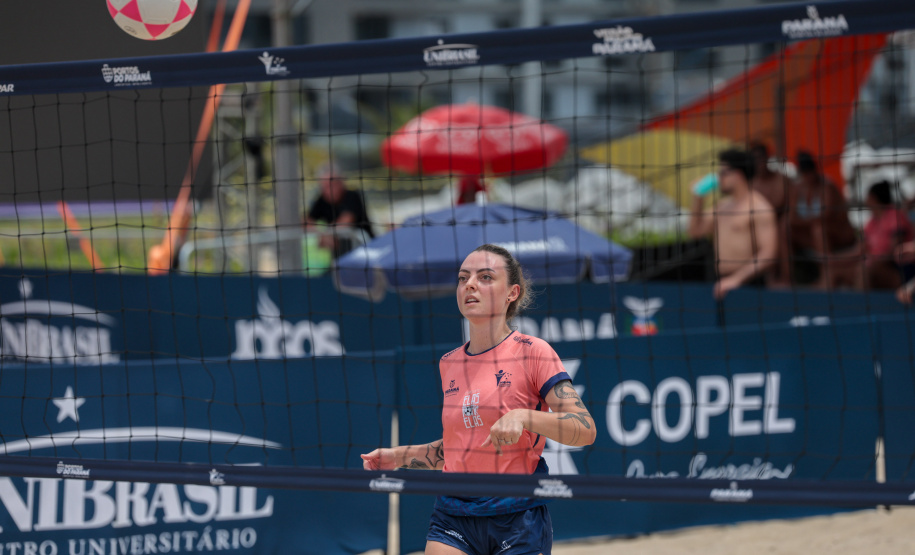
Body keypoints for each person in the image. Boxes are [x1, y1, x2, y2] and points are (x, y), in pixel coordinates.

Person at [361, 244, 596, 555]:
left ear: (512, 292)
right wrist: (400, 456)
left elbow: (585, 428)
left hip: (516, 514)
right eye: (463, 278)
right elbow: (463, 448)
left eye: (485, 277)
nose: (469, 284)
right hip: (454, 513)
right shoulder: (449, 363)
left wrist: (523, 417)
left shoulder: (533, 351)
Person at [688, 148, 778, 299]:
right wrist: (698, 199)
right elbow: (695, 232)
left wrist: (737, 279)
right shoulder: (722, 206)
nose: (718, 179)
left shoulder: (760, 207)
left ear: (737, 175)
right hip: (720, 282)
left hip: (749, 283)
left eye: (722, 173)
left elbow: (768, 254)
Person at [787, 151, 859, 289]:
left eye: (810, 172)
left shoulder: (828, 186)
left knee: (818, 229)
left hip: (837, 234)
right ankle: (786, 278)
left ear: (815, 170)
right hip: (810, 234)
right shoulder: (797, 189)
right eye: (805, 173)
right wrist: (807, 222)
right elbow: (791, 218)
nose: (808, 176)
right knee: (784, 227)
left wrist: (803, 222)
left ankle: (826, 275)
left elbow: (826, 217)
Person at [304, 163, 375, 258]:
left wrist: (327, 235)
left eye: (333, 184)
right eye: (325, 186)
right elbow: (306, 221)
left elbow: (346, 221)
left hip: (365, 251)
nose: (329, 190)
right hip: (340, 255)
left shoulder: (352, 196)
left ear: (341, 182)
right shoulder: (321, 201)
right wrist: (321, 235)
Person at [748, 142, 791, 286]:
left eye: (760, 157)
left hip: (780, 223)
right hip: (757, 224)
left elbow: (780, 205)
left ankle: (786, 277)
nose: (758, 162)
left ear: (767, 158)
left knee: (779, 231)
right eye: (754, 159)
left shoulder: (781, 179)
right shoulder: (750, 183)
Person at [862, 180, 914, 290]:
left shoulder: (895, 215)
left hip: (900, 269)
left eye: (868, 197)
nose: (866, 201)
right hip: (877, 267)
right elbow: (861, 248)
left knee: (866, 271)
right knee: (852, 270)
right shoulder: (871, 222)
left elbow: (896, 250)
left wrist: (873, 261)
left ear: (873, 198)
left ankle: (860, 301)